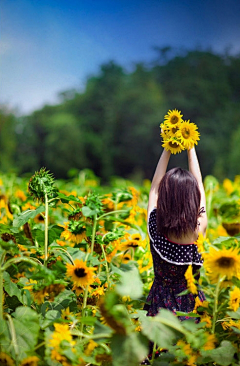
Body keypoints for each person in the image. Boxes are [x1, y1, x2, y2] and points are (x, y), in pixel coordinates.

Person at [141, 147, 207, 364]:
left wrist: (166, 149)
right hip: (193, 311)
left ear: (165, 198)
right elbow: (200, 190)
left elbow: (153, 190)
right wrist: (191, 149)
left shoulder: (155, 227)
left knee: (156, 359)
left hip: (159, 312)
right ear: (193, 199)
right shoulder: (198, 230)